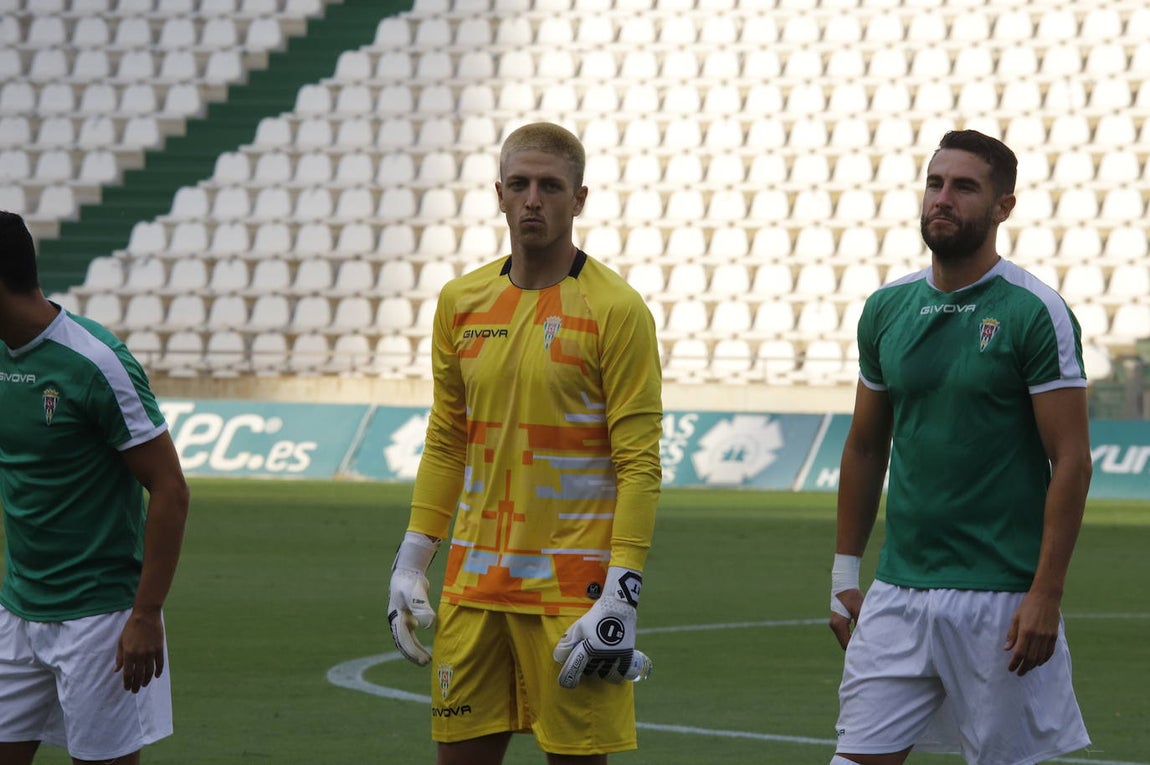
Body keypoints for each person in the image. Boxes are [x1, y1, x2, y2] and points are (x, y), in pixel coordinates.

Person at [386, 122, 663, 764]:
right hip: (473, 589)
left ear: (579, 198)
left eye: (550, 186)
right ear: (499, 195)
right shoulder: (461, 302)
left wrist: (622, 592)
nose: (533, 199)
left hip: (573, 599)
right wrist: (411, 561)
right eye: (520, 184)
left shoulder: (616, 310)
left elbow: (639, 464)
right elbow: (448, 440)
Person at [827, 130, 1094, 765]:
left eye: (964, 187)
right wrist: (844, 573)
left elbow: (1073, 460)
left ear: (1003, 206)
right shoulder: (887, 309)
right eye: (935, 183)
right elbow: (866, 447)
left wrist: (1046, 593)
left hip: (999, 597)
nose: (942, 199)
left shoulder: (1034, 310)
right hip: (897, 590)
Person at [0, 211, 190, 765]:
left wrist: (146, 613)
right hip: (18, 609)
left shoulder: (95, 362)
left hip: (99, 619)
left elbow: (170, 488)